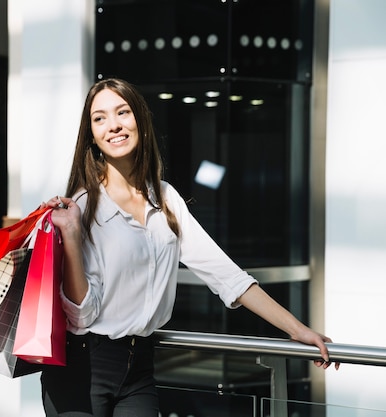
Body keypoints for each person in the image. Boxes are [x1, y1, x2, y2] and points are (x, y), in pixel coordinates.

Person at [40, 78, 338, 417]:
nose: (114, 125)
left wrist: (297, 329)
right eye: (100, 118)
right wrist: (74, 237)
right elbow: (81, 316)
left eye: (123, 112)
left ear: (140, 119)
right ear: (91, 135)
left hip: (139, 368)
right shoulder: (83, 205)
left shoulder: (166, 198)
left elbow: (226, 275)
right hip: (82, 367)